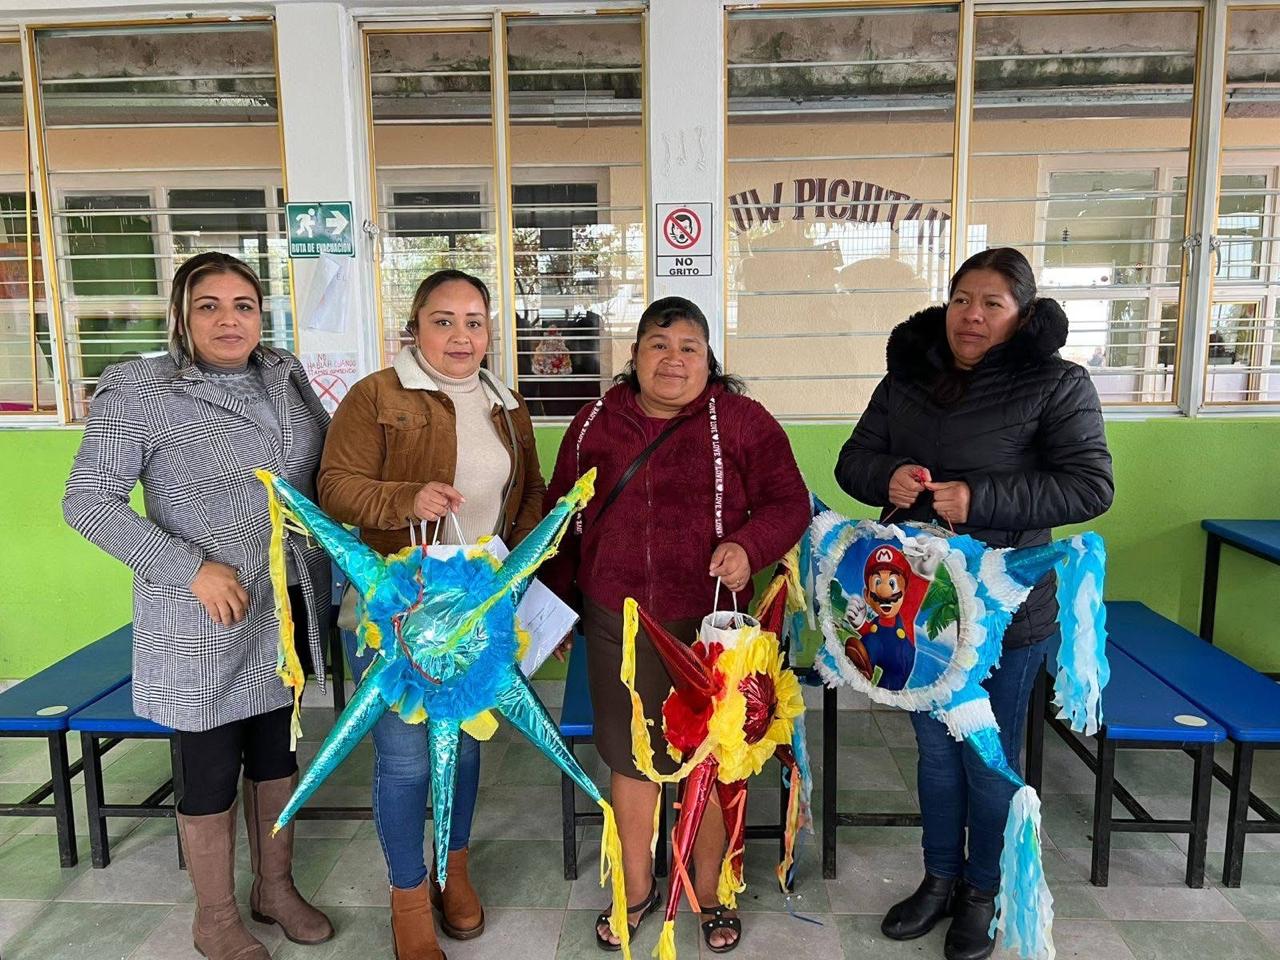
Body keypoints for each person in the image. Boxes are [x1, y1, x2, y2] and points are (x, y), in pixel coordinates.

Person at [835, 247, 1114, 960]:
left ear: (1022, 314)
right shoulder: (908, 377)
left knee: (987, 754)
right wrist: (888, 477)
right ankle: (939, 879)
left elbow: (1090, 486)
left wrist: (981, 497)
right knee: (935, 750)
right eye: (962, 299)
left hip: (1006, 613)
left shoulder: (1057, 383)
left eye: (992, 303)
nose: (972, 316)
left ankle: (983, 894)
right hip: (921, 610)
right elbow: (852, 461)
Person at [64, 251, 334, 960]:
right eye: (208, 305)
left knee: (277, 753)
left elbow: (324, 471)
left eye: (243, 305)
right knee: (211, 767)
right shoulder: (140, 389)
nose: (228, 320)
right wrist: (190, 569)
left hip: (284, 603)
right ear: (181, 315)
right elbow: (88, 501)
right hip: (202, 613)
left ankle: (275, 888)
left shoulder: (283, 375)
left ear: (261, 314)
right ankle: (214, 918)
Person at [541, 296, 810, 954]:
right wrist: (556, 607)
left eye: (689, 347)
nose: (673, 359)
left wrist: (749, 546)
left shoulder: (742, 421)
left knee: (710, 760)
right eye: (658, 345)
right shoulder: (593, 422)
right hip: (619, 622)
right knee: (632, 761)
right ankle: (634, 890)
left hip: (713, 628)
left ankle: (710, 890)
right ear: (633, 356)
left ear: (708, 359)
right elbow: (561, 517)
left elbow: (788, 502)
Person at [317, 269, 545, 960]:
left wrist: (516, 578)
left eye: (475, 321)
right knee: (406, 759)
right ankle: (409, 896)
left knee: (465, 746)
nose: (461, 336)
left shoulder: (506, 404)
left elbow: (530, 495)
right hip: (398, 613)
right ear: (414, 327)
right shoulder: (377, 395)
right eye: (444, 320)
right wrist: (405, 498)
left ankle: (454, 870)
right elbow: (334, 487)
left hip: (473, 615)